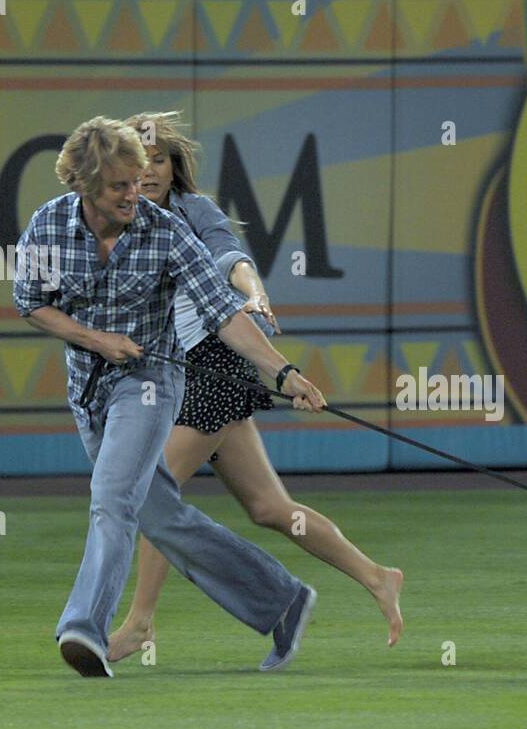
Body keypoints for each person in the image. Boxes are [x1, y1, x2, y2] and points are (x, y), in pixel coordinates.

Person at [13, 116, 327, 677]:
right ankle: (280, 600)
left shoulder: (167, 230)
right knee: (160, 518)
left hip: (150, 385)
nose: (136, 192)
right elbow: (32, 303)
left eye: (139, 180)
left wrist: (283, 374)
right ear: (85, 185)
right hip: (88, 389)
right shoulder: (48, 227)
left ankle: (83, 627)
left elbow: (223, 311)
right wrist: (94, 339)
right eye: (120, 186)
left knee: (111, 499)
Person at [106, 111, 404, 663]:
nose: (147, 170)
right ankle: (376, 577)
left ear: (175, 169)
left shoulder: (193, 212)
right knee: (270, 507)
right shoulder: (121, 223)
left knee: (154, 487)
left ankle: (141, 623)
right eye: (137, 160)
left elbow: (231, 260)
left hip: (217, 359)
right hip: (182, 372)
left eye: (158, 159)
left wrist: (256, 293)